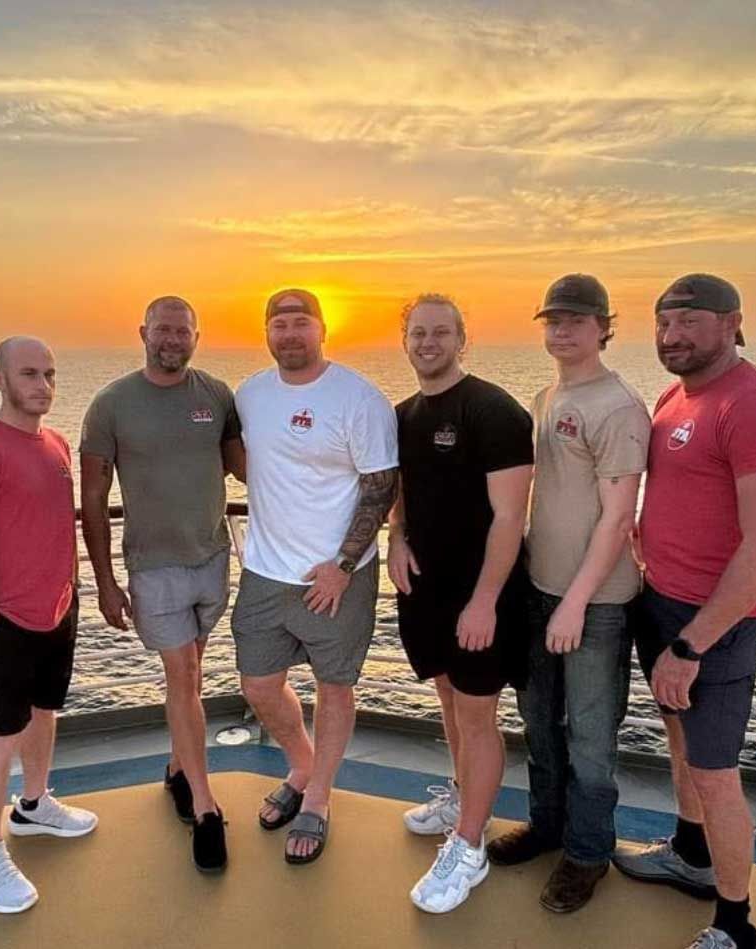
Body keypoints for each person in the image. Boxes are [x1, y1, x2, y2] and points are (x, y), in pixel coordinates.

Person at [613, 275, 756, 949]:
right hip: (661, 599)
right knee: (680, 742)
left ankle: (734, 922)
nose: (672, 336)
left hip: (715, 622)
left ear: (733, 323)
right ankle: (690, 856)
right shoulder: (675, 396)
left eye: (689, 321)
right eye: (663, 323)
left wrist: (691, 645)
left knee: (716, 772)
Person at [485, 274, 650, 914]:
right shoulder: (547, 393)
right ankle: (548, 826)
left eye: (577, 320)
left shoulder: (618, 406)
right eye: (553, 319)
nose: (562, 329)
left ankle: (587, 853)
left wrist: (578, 602)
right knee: (538, 723)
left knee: (589, 734)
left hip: (596, 602)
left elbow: (617, 519)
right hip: (539, 589)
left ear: (605, 326)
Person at [232, 288, 398, 864]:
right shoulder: (250, 394)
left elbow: (381, 488)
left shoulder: (358, 398)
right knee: (257, 683)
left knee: (334, 685)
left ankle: (318, 796)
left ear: (322, 329)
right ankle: (302, 766)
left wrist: (343, 566)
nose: (290, 333)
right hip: (262, 569)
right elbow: (245, 459)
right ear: (267, 332)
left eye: (302, 322)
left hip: (334, 576)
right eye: (280, 323)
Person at [80, 296, 244, 873]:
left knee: (192, 674)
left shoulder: (217, 397)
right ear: (143, 332)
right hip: (153, 567)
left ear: (197, 336)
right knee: (186, 675)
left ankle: (178, 770)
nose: (172, 339)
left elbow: (247, 468)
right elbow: (93, 500)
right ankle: (204, 806)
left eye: (183, 331)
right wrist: (104, 581)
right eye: (163, 330)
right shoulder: (111, 405)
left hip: (212, 558)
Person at [386, 294, 533, 913]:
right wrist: (394, 537)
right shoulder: (403, 415)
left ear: (462, 339)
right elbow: (401, 491)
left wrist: (485, 602)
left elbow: (510, 516)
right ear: (405, 341)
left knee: (477, 715)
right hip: (427, 590)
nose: (427, 342)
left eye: (440, 332)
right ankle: (460, 793)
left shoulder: (494, 410)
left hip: (481, 594)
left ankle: (469, 846)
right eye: (418, 333)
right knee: (447, 697)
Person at [0, 336, 97, 915]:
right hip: (3, 620)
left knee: (45, 711)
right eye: (29, 373)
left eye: (50, 374)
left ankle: (34, 804)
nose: (43, 385)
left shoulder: (54, 443)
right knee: (0, 737)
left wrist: (70, 589)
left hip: (56, 608)